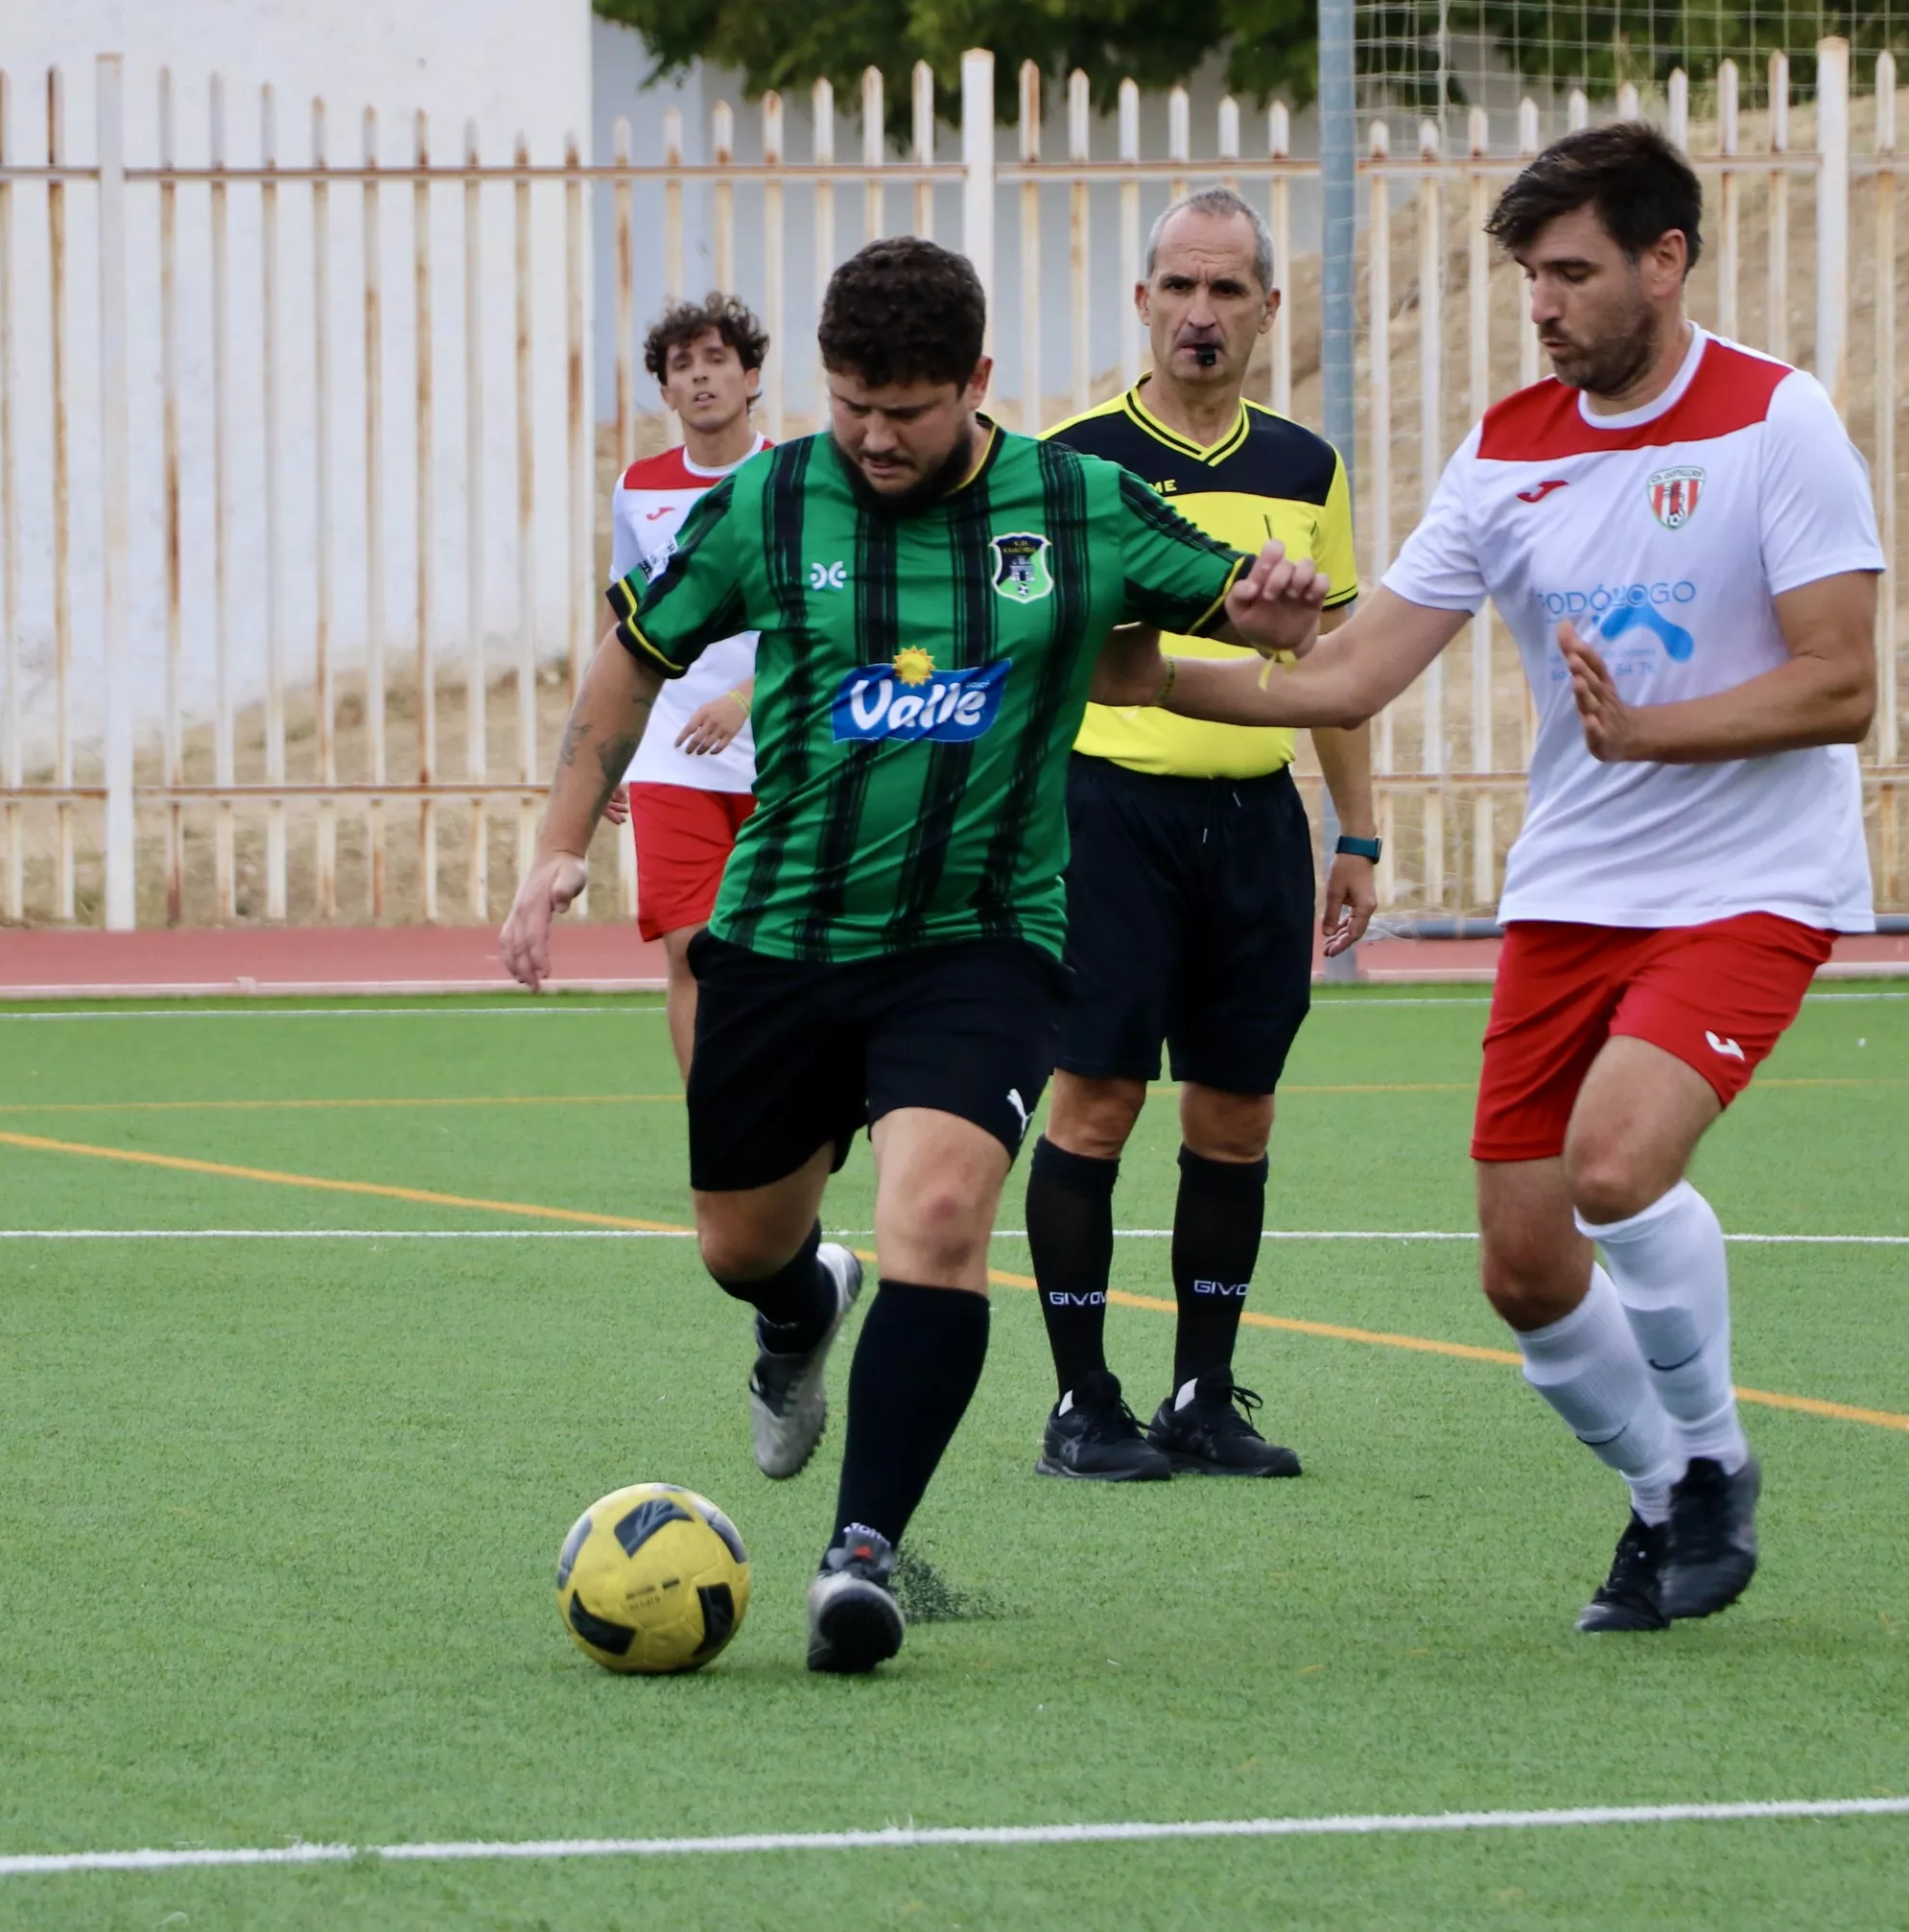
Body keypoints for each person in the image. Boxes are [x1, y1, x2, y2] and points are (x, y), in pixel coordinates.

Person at [1094, 123, 1879, 1631]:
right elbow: (1347, 675)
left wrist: (1651, 730)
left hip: (1749, 880)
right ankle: (1661, 1499)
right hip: (1574, 890)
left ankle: (1712, 1459)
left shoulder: (1781, 423)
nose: (1544, 303)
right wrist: (1148, 674)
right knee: (1523, 1270)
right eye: (1531, 274)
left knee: (1612, 1165)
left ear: (1668, 262)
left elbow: (1842, 687)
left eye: (1573, 271)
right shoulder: (1506, 448)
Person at [501, 237, 1324, 1673]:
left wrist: (1265, 600)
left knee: (937, 1216)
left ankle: (862, 1550)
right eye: (851, 403)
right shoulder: (771, 497)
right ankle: (800, 1298)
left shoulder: (1075, 502)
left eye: (910, 408)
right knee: (738, 1241)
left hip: (983, 939)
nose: (875, 438)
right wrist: (560, 839)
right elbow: (633, 654)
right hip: (785, 935)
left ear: (980, 383)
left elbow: (1227, 603)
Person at [1025, 186, 1380, 1483]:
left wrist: (1362, 831)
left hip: (1254, 826)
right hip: (1105, 815)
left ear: (1268, 310)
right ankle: (1082, 1400)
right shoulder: (1070, 464)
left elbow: (1331, 664)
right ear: (1142, 300)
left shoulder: (1305, 469)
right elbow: (1044, 654)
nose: (1200, 313)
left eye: (1228, 289)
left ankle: (1204, 1392)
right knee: (1101, 1097)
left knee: (1236, 1116)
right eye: (1178, 286)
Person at [604, 295, 774, 1075]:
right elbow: (627, 630)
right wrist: (609, 750)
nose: (701, 378)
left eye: (716, 361)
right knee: (692, 947)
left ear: (751, 376)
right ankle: (717, 1125)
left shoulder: (794, 477)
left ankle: (799, 1119)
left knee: (783, 954)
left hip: (781, 751)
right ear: (665, 392)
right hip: (673, 755)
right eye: (682, 367)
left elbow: (823, 624)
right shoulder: (637, 489)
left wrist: (744, 697)